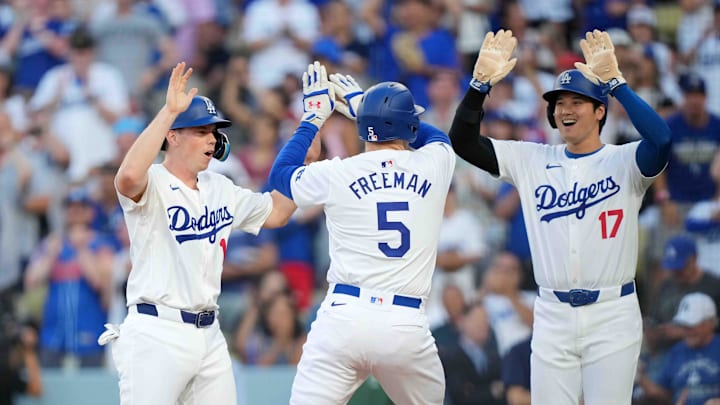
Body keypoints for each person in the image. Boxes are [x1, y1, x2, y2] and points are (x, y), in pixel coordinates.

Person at [449, 29, 672, 404]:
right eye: (559, 102)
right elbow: (464, 140)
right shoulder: (532, 159)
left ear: (600, 111)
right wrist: (478, 85)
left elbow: (662, 140)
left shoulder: (624, 161)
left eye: (578, 101)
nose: (565, 109)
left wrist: (617, 84)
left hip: (611, 312)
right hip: (552, 313)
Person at [99, 62, 298, 405]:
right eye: (201, 131)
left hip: (209, 333)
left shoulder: (221, 186)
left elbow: (278, 213)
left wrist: (302, 151)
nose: (212, 139)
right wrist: (168, 112)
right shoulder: (154, 183)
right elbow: (128, 178)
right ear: (173, 136)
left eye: (213, 132)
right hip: (157, 332)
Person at [268, 61, 455, 404]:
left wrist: (312, 117)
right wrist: (360, 105)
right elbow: (437, 137)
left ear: (362, 129)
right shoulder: (434, 164)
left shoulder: (338, 172)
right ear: (409, 126)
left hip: (343, 316)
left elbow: (280, 175)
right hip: (404, 322)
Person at [638, 292, 720, 405]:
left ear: (711, 323)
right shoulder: (676, 351)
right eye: (684, 325)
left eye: (693, 325)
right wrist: (640, 377)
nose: (688, 330)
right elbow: (663, 394)